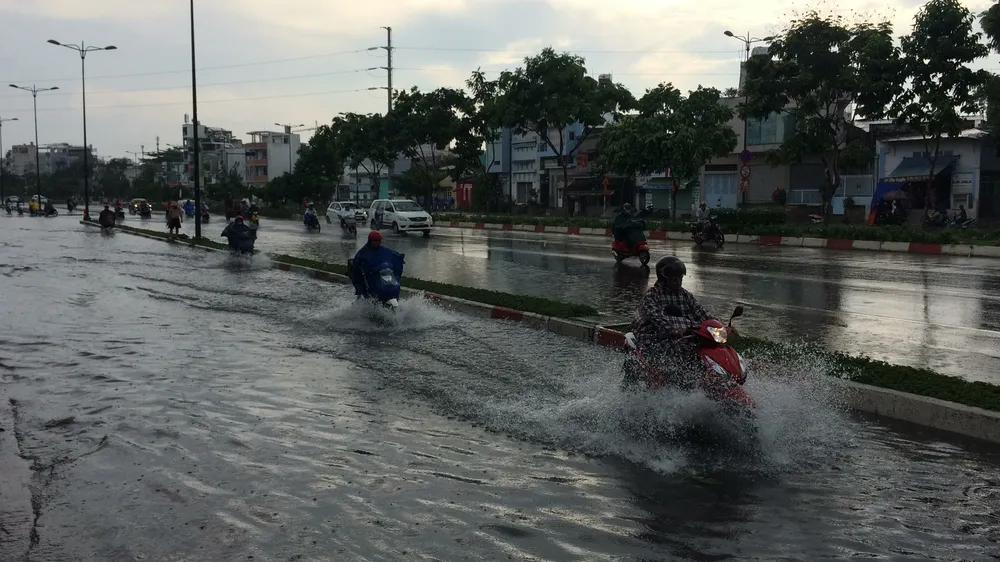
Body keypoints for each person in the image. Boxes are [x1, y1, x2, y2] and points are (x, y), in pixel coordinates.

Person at [629, 256, 732, 389]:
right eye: (674, 278)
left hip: (684, 337)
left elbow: (702, 313)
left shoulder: (685, 295)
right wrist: (671, 329)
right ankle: (676, 383)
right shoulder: (653, 295)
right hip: (656, 338)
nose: (678, 281)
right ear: (664, 278)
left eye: (680, 278)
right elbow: (656, 317)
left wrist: (722, 327)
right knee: (681, 350)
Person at [350, 230, 403, 298]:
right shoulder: (364, 252)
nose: (377, 243)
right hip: (369, 276)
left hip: (380, 274)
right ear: (370, 241)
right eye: (375, 241)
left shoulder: (383, 250)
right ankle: (366, 299)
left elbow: (392, 254)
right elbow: (357, 262)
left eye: (378, 241)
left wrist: (399, 257)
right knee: (364, 287)